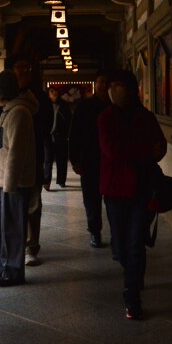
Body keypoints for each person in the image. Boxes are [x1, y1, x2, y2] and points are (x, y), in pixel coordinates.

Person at [98, 68, 167, 320]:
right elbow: (112, 150)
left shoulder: (146, 117)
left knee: (136, 242)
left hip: (141, 188)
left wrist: (139, 151)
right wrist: (144, 151)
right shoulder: (105, 117)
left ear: (131, 89)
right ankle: (133, 275)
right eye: (110, 85)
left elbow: (161, 147)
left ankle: (132, 293)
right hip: (115, 190)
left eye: (117, 85)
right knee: (119, 246)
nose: (112, 90)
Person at [0, 70, 37, 287]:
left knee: (13, 227)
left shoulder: (19, 113)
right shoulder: (8, 111)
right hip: (1, 179)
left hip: (12, 182)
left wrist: (9, 184)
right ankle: (1, 267)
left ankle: (13, 270)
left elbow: (15, 151)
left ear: (0, 93)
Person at [69, 72, 110, 248]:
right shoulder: (84, 107)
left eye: (106, 82)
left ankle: (116, 232)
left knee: (113, 199)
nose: (103, 85)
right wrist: (75, 160)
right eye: (100, 82)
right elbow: (74, 134)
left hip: (111, 162)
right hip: (89, 160)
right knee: (91, 200)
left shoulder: (116, 107)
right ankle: (95, 232)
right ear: (95, 85)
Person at [43, 86, 72, 190]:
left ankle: (61, 180)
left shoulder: (64, 105)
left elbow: (69, 120)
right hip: (48, 136)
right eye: (51, 91)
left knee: (61, 159)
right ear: (48, 94)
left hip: (61, 135)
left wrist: (67, 134)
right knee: (48, 159)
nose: (54, 93)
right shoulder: (46, 105)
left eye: (55, 91)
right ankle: (46, 181)